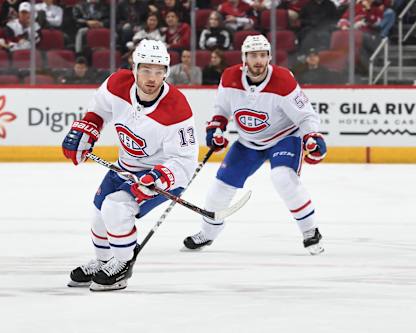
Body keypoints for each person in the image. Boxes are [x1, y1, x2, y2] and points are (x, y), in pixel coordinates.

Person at [62, 39, 198, 291]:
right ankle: (103, 261)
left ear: (166, 72)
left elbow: (185, 161)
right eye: (146, 70)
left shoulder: (177, 108)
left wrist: (159, 177)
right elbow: (99, 110)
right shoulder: (116, 84)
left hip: (160, 177)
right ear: (134, 68)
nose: (152, 78)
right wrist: (87, 131)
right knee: (99, 213)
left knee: (115, 209)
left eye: (159, 72)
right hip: (124, 165)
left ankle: (122, 265)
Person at [183, 35, 327, 255]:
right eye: (253, 55)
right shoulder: (230, 77)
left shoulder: (283, 80)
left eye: (262, 55)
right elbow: (221, 110)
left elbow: (306, 116)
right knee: (219, 188)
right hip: (248, 141)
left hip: (284, 137)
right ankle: (208, 232)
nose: (258, 60)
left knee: (282, 178)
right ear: (244, 58)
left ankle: (310, 231)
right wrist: (216, 129)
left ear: (269, 57)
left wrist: (312, 136)